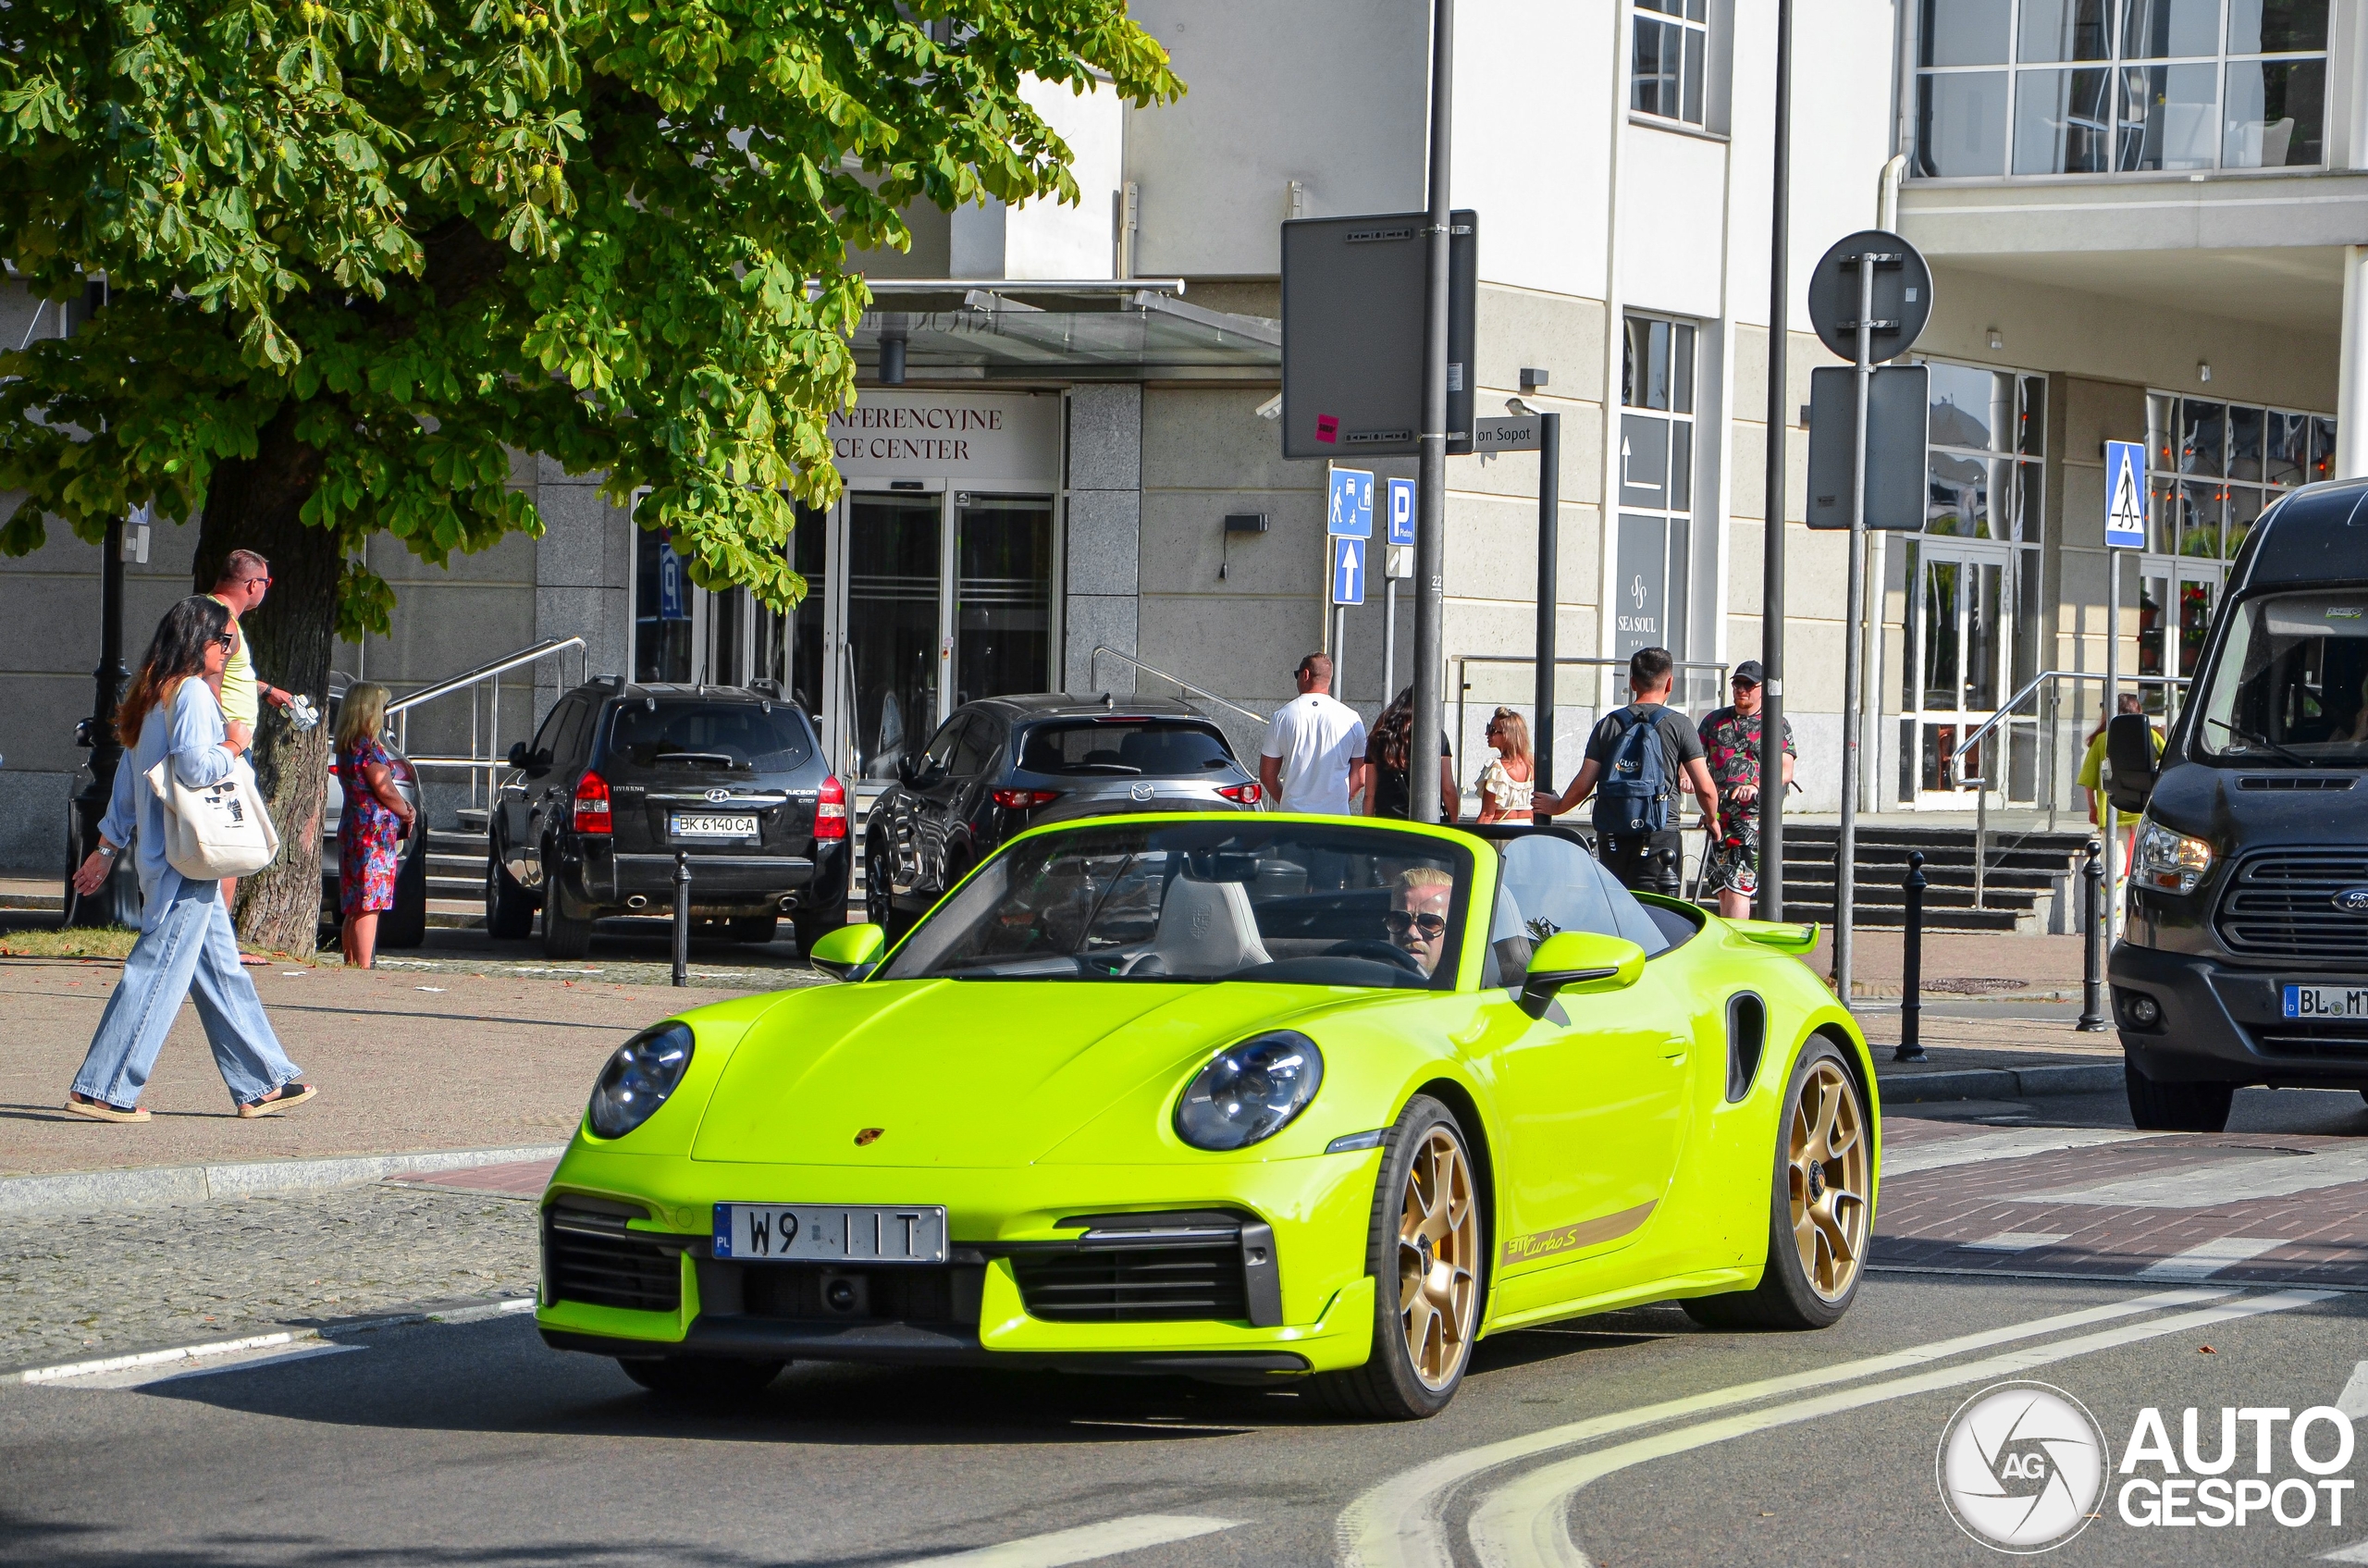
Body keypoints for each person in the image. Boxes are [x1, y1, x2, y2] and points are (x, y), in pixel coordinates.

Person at [64, 597, 314, 1123]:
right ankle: (105, 1087)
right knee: (157, 968)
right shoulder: (195, 695)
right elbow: (200, 769)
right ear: (196, 640)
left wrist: (108, 848)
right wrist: (236, 744)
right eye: (222, 640)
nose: (229, 649)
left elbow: (128, 787)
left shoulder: (152, 695)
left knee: (220, 968)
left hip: (169, 853)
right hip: (188, 857)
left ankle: (260, 1081)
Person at [1542, 646, 1719, 895]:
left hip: (1613, 833)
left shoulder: (1608, 724)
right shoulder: (1679, 725)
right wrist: (1712, 819)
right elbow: (1706, 789)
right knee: (1657, 917)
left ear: (1633, 682)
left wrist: (1557, 806)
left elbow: (1585, 781)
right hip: (1660, 834)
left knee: (1617, 914)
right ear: (1670, 683)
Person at [204, 549, 296, 914]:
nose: (265, 590)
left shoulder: (213, 614)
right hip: (226, 750)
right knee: (229, 847)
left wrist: (267, 690)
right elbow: (209, 678)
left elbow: (227, 673)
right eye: (266, 583)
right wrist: (225, 741)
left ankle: (214, 943)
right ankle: (218, 945)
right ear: (254, 584)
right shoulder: (222, 621)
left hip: (227, 746)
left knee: (226, 845)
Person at [1695, 661, 1795, 919]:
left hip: (1752, 820)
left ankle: (1735, 948)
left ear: (1761, 688)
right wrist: (1688, 777)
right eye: (1737, 684)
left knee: (1740, 887)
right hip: (1717, 817)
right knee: (1723, 889)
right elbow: (1692, 758)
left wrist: (1754, 786)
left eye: (1748, 685)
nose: (1742, 690)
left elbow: (1785, 770)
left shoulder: (1775, 724)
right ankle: (1729, 947)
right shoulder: (1714, 721)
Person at [335, 683, 417, 969]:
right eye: (383, 708)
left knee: (355, 905)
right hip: (372, 834)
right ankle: (363, 965)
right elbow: (385, 790)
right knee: (370, 904)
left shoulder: (348, 745)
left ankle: (351, 962)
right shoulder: (367, 749)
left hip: (353, 828)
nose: (385, 713)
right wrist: (407, 811)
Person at [1259, 652, 1368, 815]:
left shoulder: (1282, 717)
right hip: (1336, 818)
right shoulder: (1352, 719)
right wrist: (1336, 802)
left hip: (1294, 817)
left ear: (1306, 675)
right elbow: (1360, 779)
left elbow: (1267, 775)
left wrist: (1287, 801)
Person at [2078, 693, 2160, 864]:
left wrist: (2093, 809)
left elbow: (2089, 780)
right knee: (2146, 862)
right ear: (2138, 711)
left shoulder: (2102, 739)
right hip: (2143, 807)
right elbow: (2169, 760)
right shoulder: (2149, 735)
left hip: (2112, 809)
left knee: (2114, 866)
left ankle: (2113, 891)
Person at [1363, 685, 1459, 822]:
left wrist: (1368, 826)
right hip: (1423, 825)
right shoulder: (1435, 736)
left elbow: (1369, 794)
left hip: (1386, 823)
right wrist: (1454, 820)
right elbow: (1447, 788)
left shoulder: (1378, 737)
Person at [1383, 866, 1455, 977]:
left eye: (1429, 922)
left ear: (1454, 931)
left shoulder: (1470, 989)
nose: (1412, 933)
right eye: (1400, 919)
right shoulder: (1363, 979)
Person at [1474, 708, 1536, 823]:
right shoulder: (1533, 765)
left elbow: (1487, 815)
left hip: (1501, 832)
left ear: (1507, 735)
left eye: (1492, 730)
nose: (1487, 733)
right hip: (1527, 831)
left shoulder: (1497, 769)